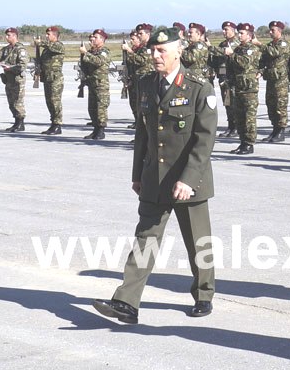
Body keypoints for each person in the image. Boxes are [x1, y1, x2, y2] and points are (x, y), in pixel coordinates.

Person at [93, 26, 218, 324]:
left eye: (162, 50)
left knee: (198, 241)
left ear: (179, 51)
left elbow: (205, 139)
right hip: (154, 177)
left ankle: (204, 294)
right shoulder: (146, 84)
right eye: (152, 50)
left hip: (190, 181)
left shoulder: (199, 87)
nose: (155, 55)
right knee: (145, 239)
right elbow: (143, 134)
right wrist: (138, 174)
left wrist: (188, 179)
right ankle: (126, 303)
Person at [224, 23, 263, 154]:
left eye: (242, 33)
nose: (239, 35)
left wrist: (231, 55)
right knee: (239, 116)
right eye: (239, 33)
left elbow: (245, 63)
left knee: (249, 117)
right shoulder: (239, 48)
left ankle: (249, 143)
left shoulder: (252, 48)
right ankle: (242, 142)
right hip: (238, 87)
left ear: (249, 35)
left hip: (249, 88)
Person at [0, 27, 29, 132]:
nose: (6, 37)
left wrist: (10, 68)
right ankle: (16, 122)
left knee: (18, 101)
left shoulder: (20, 49)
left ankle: (20, 123)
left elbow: (22, 65)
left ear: (15, 36)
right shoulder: (6, 49)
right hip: (8, 80)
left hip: (17, 79)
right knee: (11, 102)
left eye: (9, 35)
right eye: (6, 35)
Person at [260, 20, 290, 142]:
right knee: (271, 105)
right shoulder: (269, 45)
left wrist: (259, 45)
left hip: (280, 81)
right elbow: (264, 59)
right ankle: (275, 129)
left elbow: (274, 53)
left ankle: (281, 130)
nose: (270, 32)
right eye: (270, 30)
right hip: (271, 79)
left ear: (279, 31)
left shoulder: (283, 44)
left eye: (273, 30)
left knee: (280, 106)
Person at [210, 21, 240, 138]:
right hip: (223, 78)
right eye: (223, 29)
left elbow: (227, 53)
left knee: (233, 103)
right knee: (227, 103)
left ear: (233, 30)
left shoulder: (236, 43)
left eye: (226, 29)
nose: (224, 32)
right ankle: (231, 126)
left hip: (232, 78)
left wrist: (210, 47)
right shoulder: (223, 44)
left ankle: (236, 127)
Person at [79, 29, 112, 140]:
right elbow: (85, 66)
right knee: (92, 108)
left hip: (101, 84)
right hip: (92, 83)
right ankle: (95, 129)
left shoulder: (104, 51)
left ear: (102, 39)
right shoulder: (91, 51)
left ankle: (101, 130)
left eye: (95, 37)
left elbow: (98, 61)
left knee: (100, 107)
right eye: (92, 37)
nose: (92, 39)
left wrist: (85, 53)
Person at [123, 24, 154, 129]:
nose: (139, 36)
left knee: (145, 108)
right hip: (138, 80)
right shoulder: (142, 48)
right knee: (138, 107)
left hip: (147, 81)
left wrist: (129, 52)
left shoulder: (149, 47)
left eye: (141, 33)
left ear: (148, 34)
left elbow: (143, 60)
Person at [35, 26, 65, 134]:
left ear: (55, 35)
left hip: (55, 79)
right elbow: (42, 62)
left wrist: (40, 42)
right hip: (47, 78)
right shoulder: (46, 50)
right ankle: (53, 123)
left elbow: (52, 47)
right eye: (46, 34)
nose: (46, 36)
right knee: (49, 102)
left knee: (55, 101)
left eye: (48, 34)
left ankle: (58, 124)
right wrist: (38, 71)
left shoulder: (58, 46)